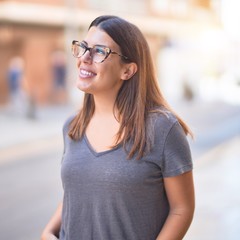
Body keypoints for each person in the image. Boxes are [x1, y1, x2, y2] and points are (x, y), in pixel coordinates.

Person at [41, 15, 195, 240]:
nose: (84, 57)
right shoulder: (72, 127)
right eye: (84, 47)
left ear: (128, 70)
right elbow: (76, 192)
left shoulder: (162, 128)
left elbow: (182, 209)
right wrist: (48, 232)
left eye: (99, 51)